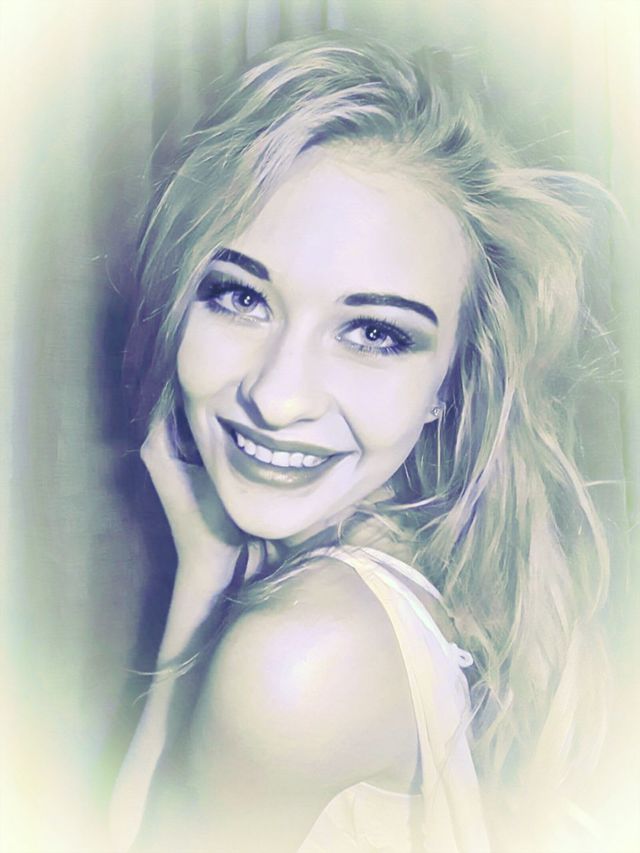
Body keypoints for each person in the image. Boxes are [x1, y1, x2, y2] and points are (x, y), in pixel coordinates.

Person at [109, 31, 610, 853]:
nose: (277, 396)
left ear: (451, 383)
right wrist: (204, 573)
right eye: (240, 295)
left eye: (375, 332)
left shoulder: (301, 660)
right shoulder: (418, 572)